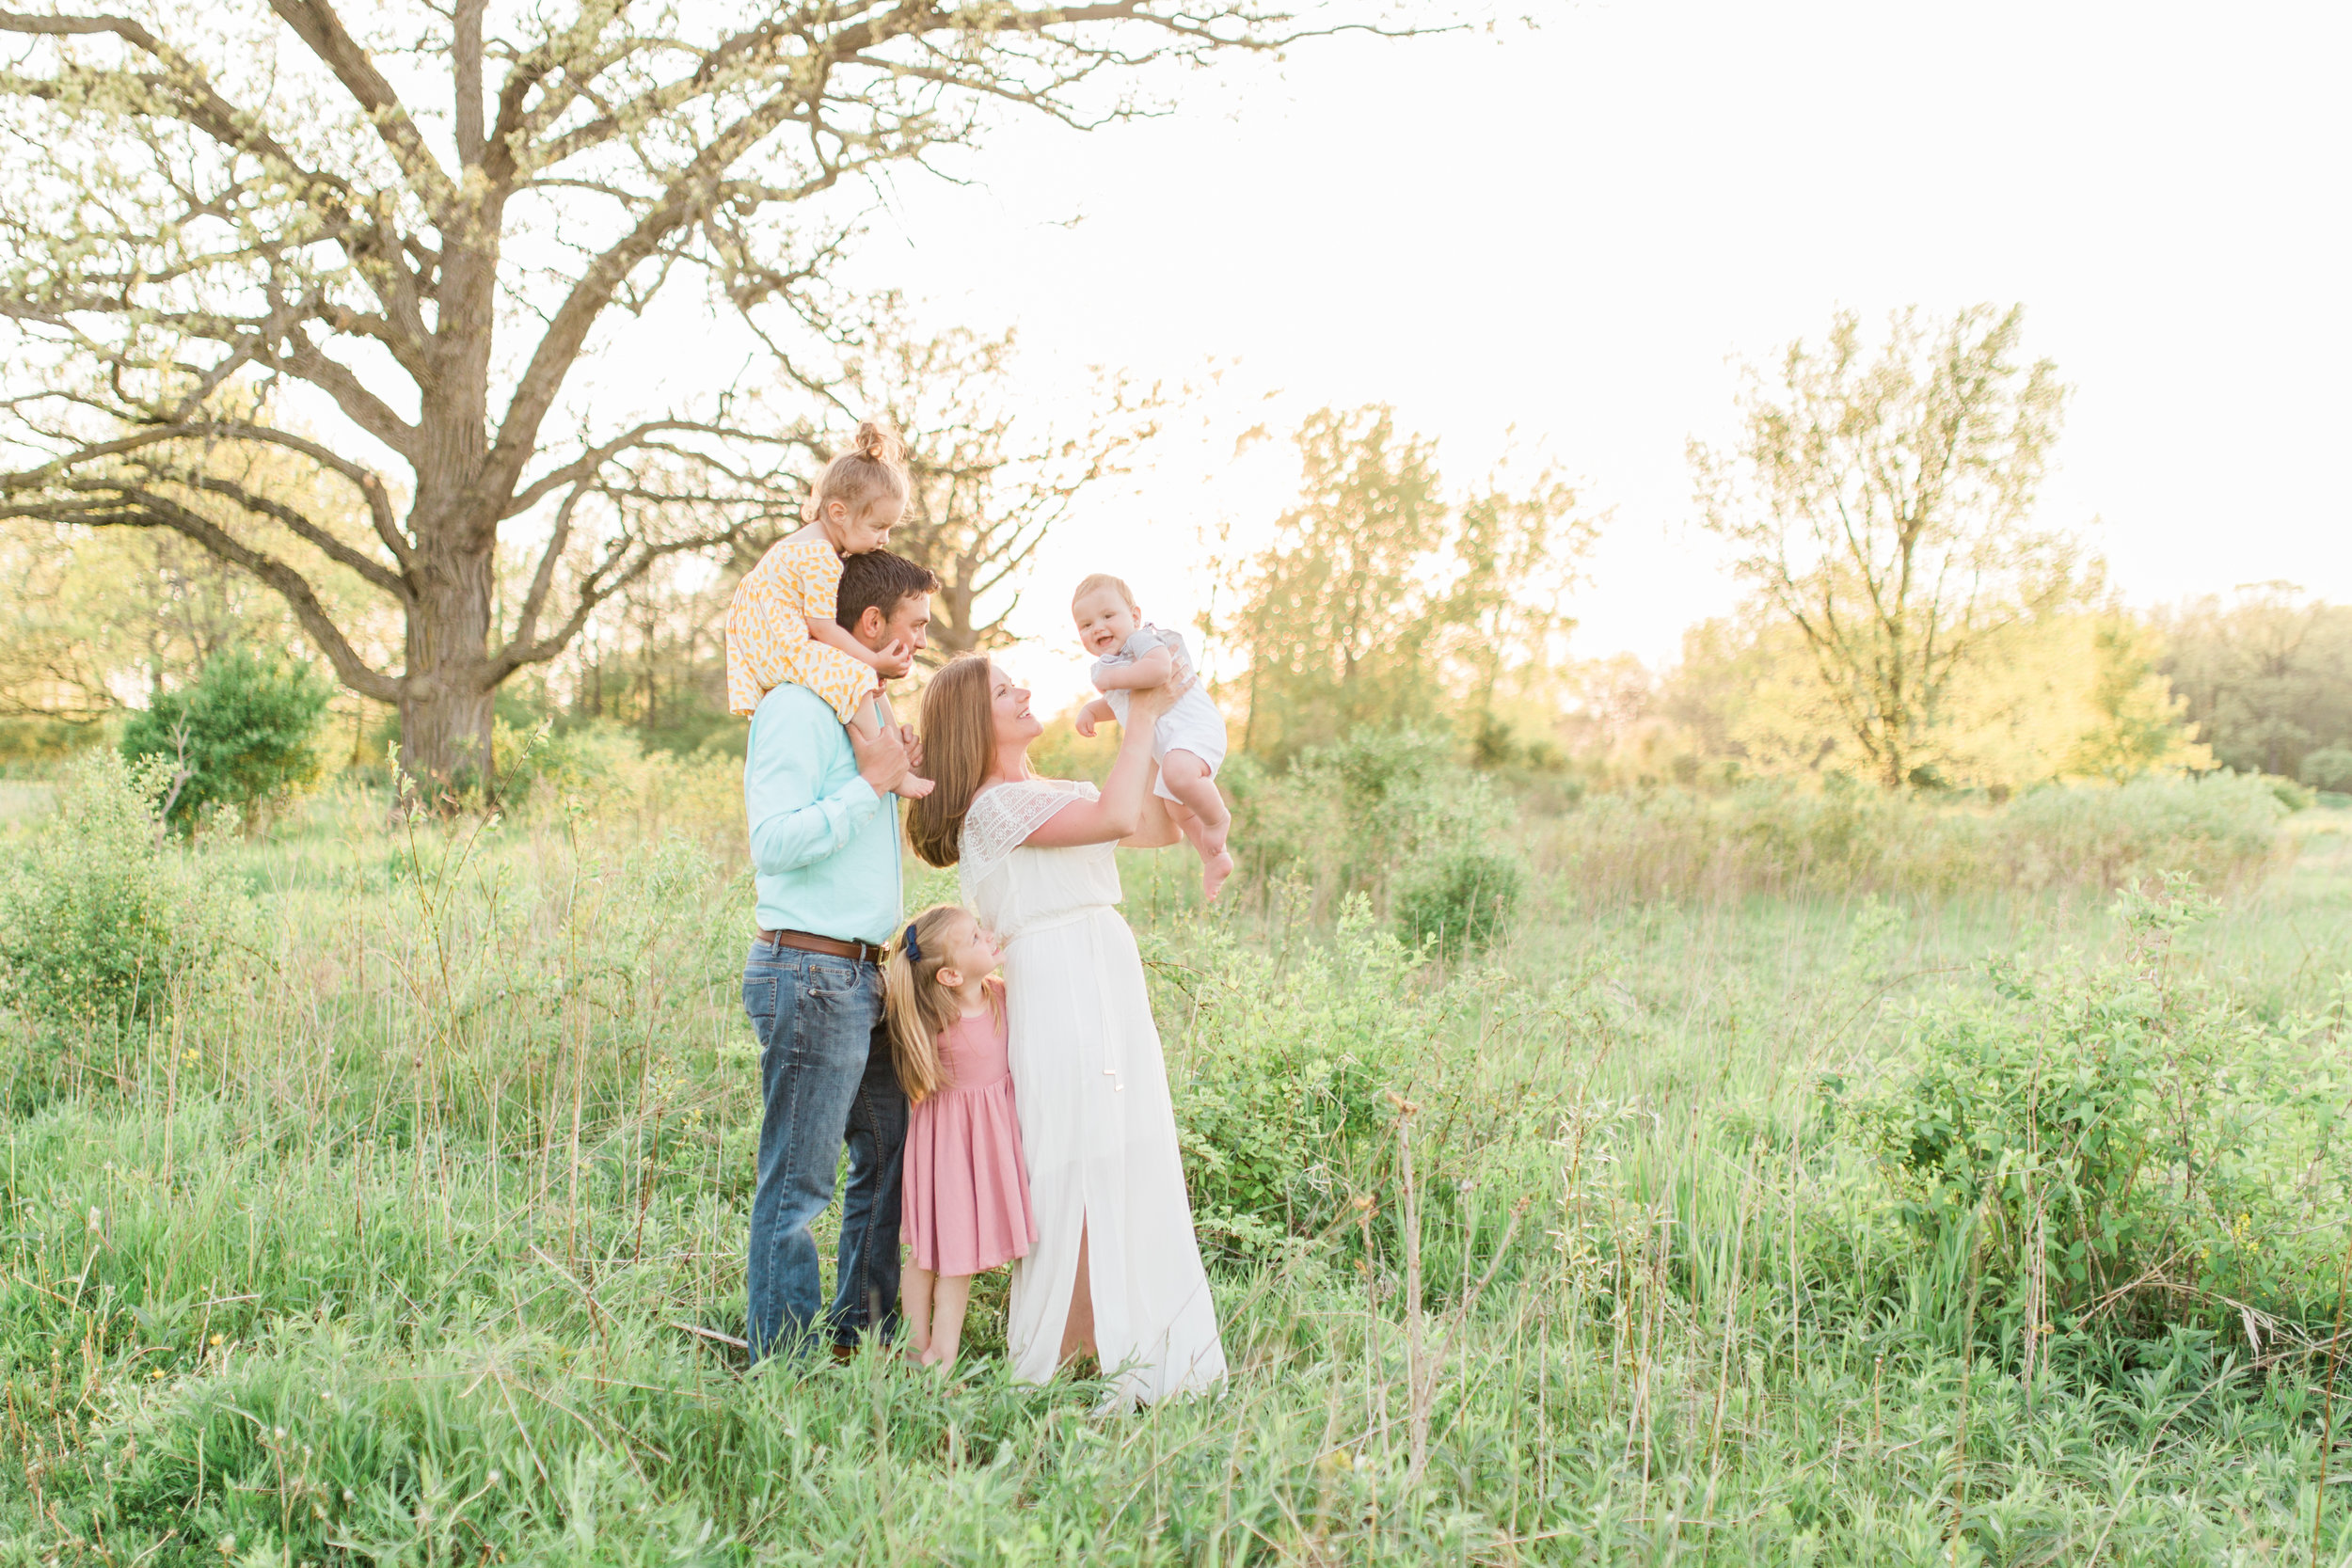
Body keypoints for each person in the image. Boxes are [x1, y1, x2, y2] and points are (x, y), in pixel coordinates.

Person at [909, 657, 1229, 1407]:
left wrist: (1179, 746)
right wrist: (1140, 708)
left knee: (1122, 1143)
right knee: (1070, 1151)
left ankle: (1115, 1336)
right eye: (1002, 691)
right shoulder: (991, 807)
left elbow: (1149, 824)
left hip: (1106, 966)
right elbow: (1118, 817)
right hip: (1052, 977)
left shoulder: (1049, 791)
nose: (1024, 692)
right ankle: (1063, 1343)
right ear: (971, 723)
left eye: (1018, 682)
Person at [741, 547, 941, 1364]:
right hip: (811, 971)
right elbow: (774, 843)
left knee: (891, 1156)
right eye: (915, 628)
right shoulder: (794, 706)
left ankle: (859, 1337)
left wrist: (898, 772)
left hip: (868, 973)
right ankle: (782, 1365)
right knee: (800, 1186)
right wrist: (869, 786)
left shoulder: (864, 709)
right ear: (869, 624)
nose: (921, 643)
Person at [726, 420, 933, 797]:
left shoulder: (807, 544)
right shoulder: (821, 556)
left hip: (767, 638)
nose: (884, 539)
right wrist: (872, 663)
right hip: (781, 643)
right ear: (838, 512)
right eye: (878, 526)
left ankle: (894, 751)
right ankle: (889, 771)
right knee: (856, 676)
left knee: (864, 680)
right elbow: (822, 628)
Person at [881, 902, 1038, 1371]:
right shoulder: (936, 1022)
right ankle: (922, 1350)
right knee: (932, 1253)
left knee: (954, 1254)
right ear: (949, 977)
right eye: (973, 939)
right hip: (945, 1152)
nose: (987, 935)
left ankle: (935, 1354)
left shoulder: (1003, 997)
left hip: (982, 1148)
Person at [1071, 574, 1233, 898]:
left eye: (1107, 616)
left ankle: (1217, 820)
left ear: (1134, 616)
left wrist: (1116, 677)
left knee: (1177, 773)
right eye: (1086, 625)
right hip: (1173, 745)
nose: (1098, 627)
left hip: (1194, 729)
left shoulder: (1142, 642)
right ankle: (1214, 858)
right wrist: (1092, 709)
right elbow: (1124, 701)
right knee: (1175, 808)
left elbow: (1159, 671)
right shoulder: (1111, 665)